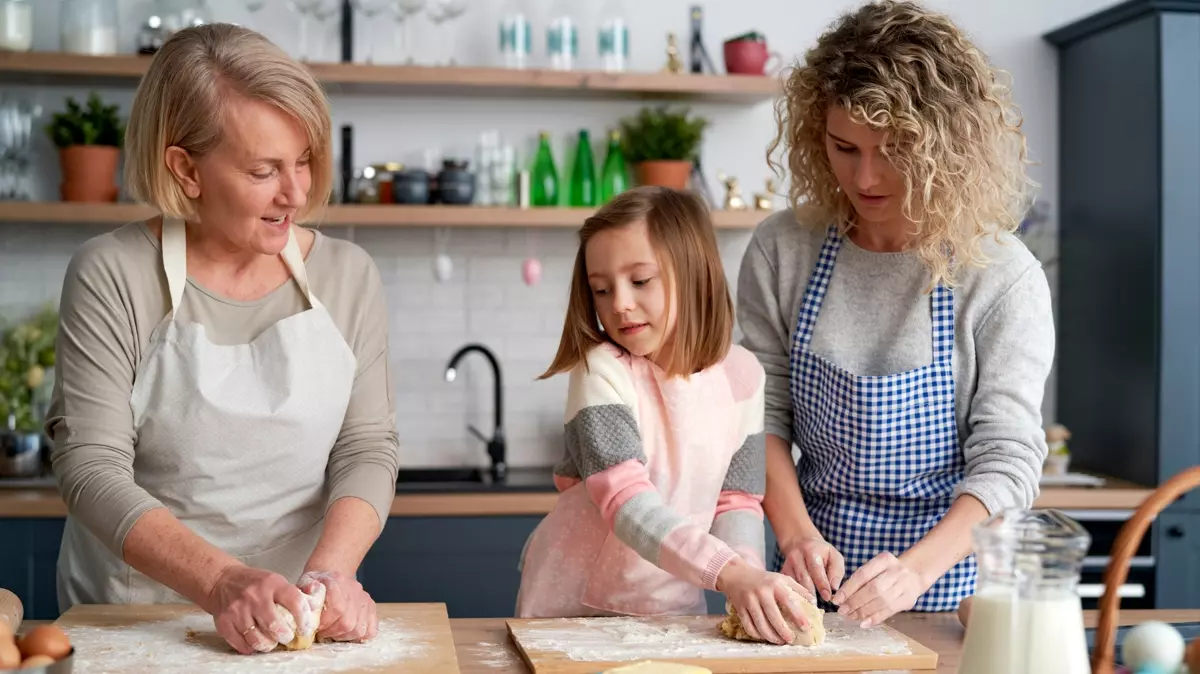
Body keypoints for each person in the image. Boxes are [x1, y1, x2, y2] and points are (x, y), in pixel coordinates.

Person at [44, 24, 399, 654]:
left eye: (303, 161)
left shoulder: (347, 276)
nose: (295, 193)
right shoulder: (114, 274)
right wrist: (221, 580)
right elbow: (90, 466)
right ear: (185, 169)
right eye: (264, 170)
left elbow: (366, 447)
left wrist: (333, 573)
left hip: (295, 631)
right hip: (134, 625)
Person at [737, 0, 1055, 628]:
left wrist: (915, 569)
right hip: (807, 588)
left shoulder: (999, 273)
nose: (867, 176)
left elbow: (1009, 457)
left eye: (896, 149)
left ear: (947, 146)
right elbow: (758, 417)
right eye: (844, 147)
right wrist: (797, 537)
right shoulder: (784, 249)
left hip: (952, 591)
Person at [515, 186, 813, 645]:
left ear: (693, 275)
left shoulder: (743, 376)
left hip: (671, 604)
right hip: (571, 609)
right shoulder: (601, 369)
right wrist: (729, 572)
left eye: (640, 280)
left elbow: (737, 500)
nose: (619, 303)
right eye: (601, 288)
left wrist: (748, 580)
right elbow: (627, 501)